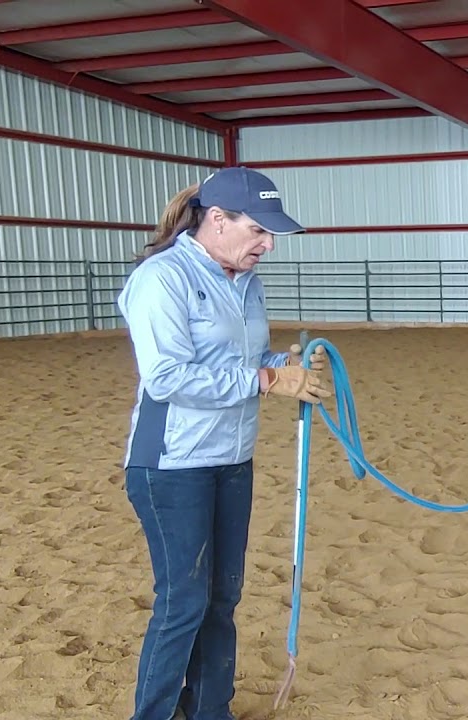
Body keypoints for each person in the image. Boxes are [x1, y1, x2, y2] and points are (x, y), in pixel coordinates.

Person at [116, 166, 331, 720]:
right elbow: (168, 378)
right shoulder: (162, 279)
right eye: (259, 231)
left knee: (222, 598)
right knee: (182, 601)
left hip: (232, 460)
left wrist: (285, 364)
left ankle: (213, 711)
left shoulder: (245, 280)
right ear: (217, 220)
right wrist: (265, 382)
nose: (268, 245)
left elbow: (245, 360)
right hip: (172, 465)